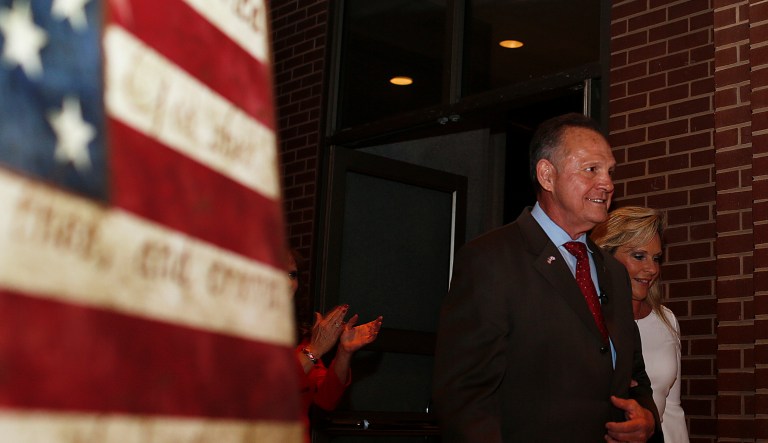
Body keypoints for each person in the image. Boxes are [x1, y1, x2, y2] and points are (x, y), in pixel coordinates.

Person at [432, 113, 661, 442]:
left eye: (610, 172)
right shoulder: (491, 259)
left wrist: (647, 419)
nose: (608, 184)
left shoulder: (613, 272)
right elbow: (464, 397)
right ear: (547, 175)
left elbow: (634, 374)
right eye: (591, 169)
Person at [591, 206, 689, 442]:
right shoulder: (588, 321)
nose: (652, 269)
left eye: (656, 258)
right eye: (638, 256)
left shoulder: (666, 320)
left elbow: (672, 409)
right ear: (606, 256)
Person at [287, 248, 383, 442]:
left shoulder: (296, 336)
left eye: (292, 275)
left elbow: (326, 399)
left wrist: (344, 352)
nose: (288, 283)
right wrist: (315, 350)